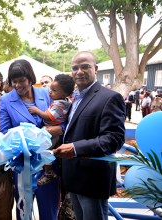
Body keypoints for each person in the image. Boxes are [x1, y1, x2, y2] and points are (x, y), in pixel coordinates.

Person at [54, 51, 125, 220]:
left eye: (85, 67)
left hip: (93, 179)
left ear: (96, 69)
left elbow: (113, 139)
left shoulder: (110, 97)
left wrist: (75, 148)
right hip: (74, 176)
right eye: (75, 68)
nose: (79, 71)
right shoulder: (75, 98)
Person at [0, 59, 64, 220]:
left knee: (49, 210)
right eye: (14, 81)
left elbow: (63, 117)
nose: (18, 85)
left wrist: (60, 129)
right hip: (23, 165)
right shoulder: (6, 100)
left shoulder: (47, 93)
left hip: (49, 164)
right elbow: (5, 133)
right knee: (24, 211)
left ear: (30, 79)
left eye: (22, 80)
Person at [28, 74, 74, 185]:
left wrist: (36, 110)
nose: (50, 92)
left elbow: (49, 116)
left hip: (52, 133)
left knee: (45, 150)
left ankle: (48, 172)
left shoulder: (60, 104)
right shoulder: (65, 101)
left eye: (54, 90)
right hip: (51, 130)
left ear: (64, 94)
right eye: (50, 89)